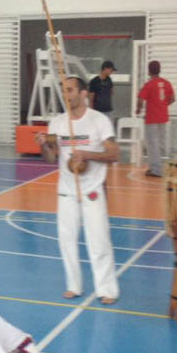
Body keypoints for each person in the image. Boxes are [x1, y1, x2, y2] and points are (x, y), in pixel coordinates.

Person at [36, 76, 119, 304]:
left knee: (99, 241)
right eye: (64, 90)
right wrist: (44, 145)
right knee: (67, 240)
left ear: (83, 93)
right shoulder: (57, 123)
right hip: (66, 190)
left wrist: (88, 155)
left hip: (92, 189)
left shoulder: (99, 121)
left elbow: (114, 154)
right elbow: (51, 159)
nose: (67, 94)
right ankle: (74, 286)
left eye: (71, 90)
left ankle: (107, 290)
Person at [136, 59, 175, 177]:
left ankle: (156, 170)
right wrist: (163, 105)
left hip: (152, 118)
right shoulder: (167, 83)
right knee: (159, 144)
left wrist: (138, 109)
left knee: (152, 144)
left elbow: (140, 100)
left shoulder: (149, 84)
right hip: (163, 117)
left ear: (149, 71)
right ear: (159, 70)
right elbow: (172, 99)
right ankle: (158, 167)